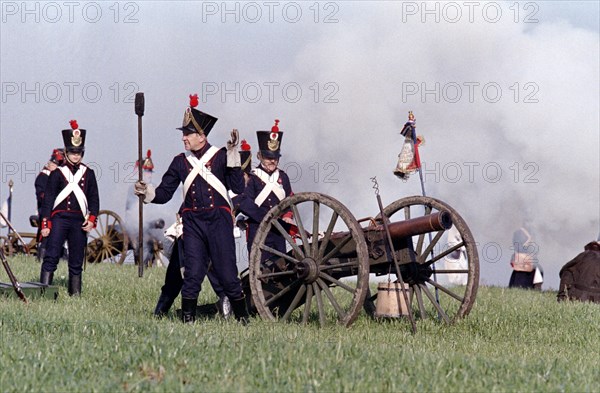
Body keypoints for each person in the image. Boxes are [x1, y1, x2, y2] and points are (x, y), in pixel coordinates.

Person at [135, 94, 247, 323]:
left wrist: (234, 156)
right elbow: (164, 193)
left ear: (201, 136)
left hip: (219, 221)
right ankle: (188, 322)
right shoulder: (179, 162)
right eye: (183, 134)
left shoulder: (221, 157)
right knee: (192, 274)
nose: (184, 138)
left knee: (227, 275)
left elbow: (237, 187)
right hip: (193, 222)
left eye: (188, 134)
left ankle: (244, 321)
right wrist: (146, 191)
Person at [39, 120, 100, 296]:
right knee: (51, 256)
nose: (76, 156)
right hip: (59, 219)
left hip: (78, 221)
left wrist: (92, 219)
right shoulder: (57, 174)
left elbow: (94, 199)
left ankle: (75, 294)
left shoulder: (89, 173)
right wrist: (45, 224)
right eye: (73, 152)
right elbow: (48, 200)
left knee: (76, 260)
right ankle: (44, 292)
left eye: (79, 152)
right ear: (66, 152)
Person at [235, 120, 294, 262]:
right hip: (258, 228)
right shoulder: (252, 178)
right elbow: (245, 202)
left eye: (275, 158)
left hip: (278, 229)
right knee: (260, 266)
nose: (272, 161)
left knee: (281, 265)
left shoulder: (283, 177)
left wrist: (287, 214)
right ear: (260, 156)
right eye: (268, 157)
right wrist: (267, 217)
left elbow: (290, 198)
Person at [34, 148, 65, 261]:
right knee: (46, 237)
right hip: (46, 210)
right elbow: (42, 196)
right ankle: (41, 258)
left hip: (58, 210)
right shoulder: (43, 177)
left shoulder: (57, 177)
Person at [394, 111, 425, 179]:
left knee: (408, 155)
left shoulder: (410, 128)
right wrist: (411, 128)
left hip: (410, 144)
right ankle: (402, 170)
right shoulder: (409, 126)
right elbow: (406, 132)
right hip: (408, 144)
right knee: (406, 156)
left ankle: (403, 169)